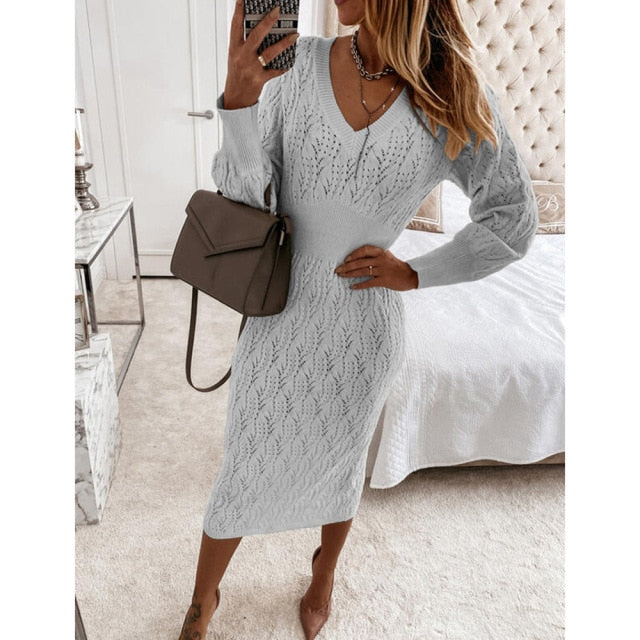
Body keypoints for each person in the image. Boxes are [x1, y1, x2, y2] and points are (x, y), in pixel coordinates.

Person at [178, 0, 538, 638]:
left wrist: (417, 272)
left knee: (341, 462)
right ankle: (202, 601)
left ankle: (324, 570)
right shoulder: (298, 67)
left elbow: (513, 217)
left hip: (365, 328)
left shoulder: (449, 90)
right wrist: (238, 102)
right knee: (245, 460)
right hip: (280, 310)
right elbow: (245, 199)